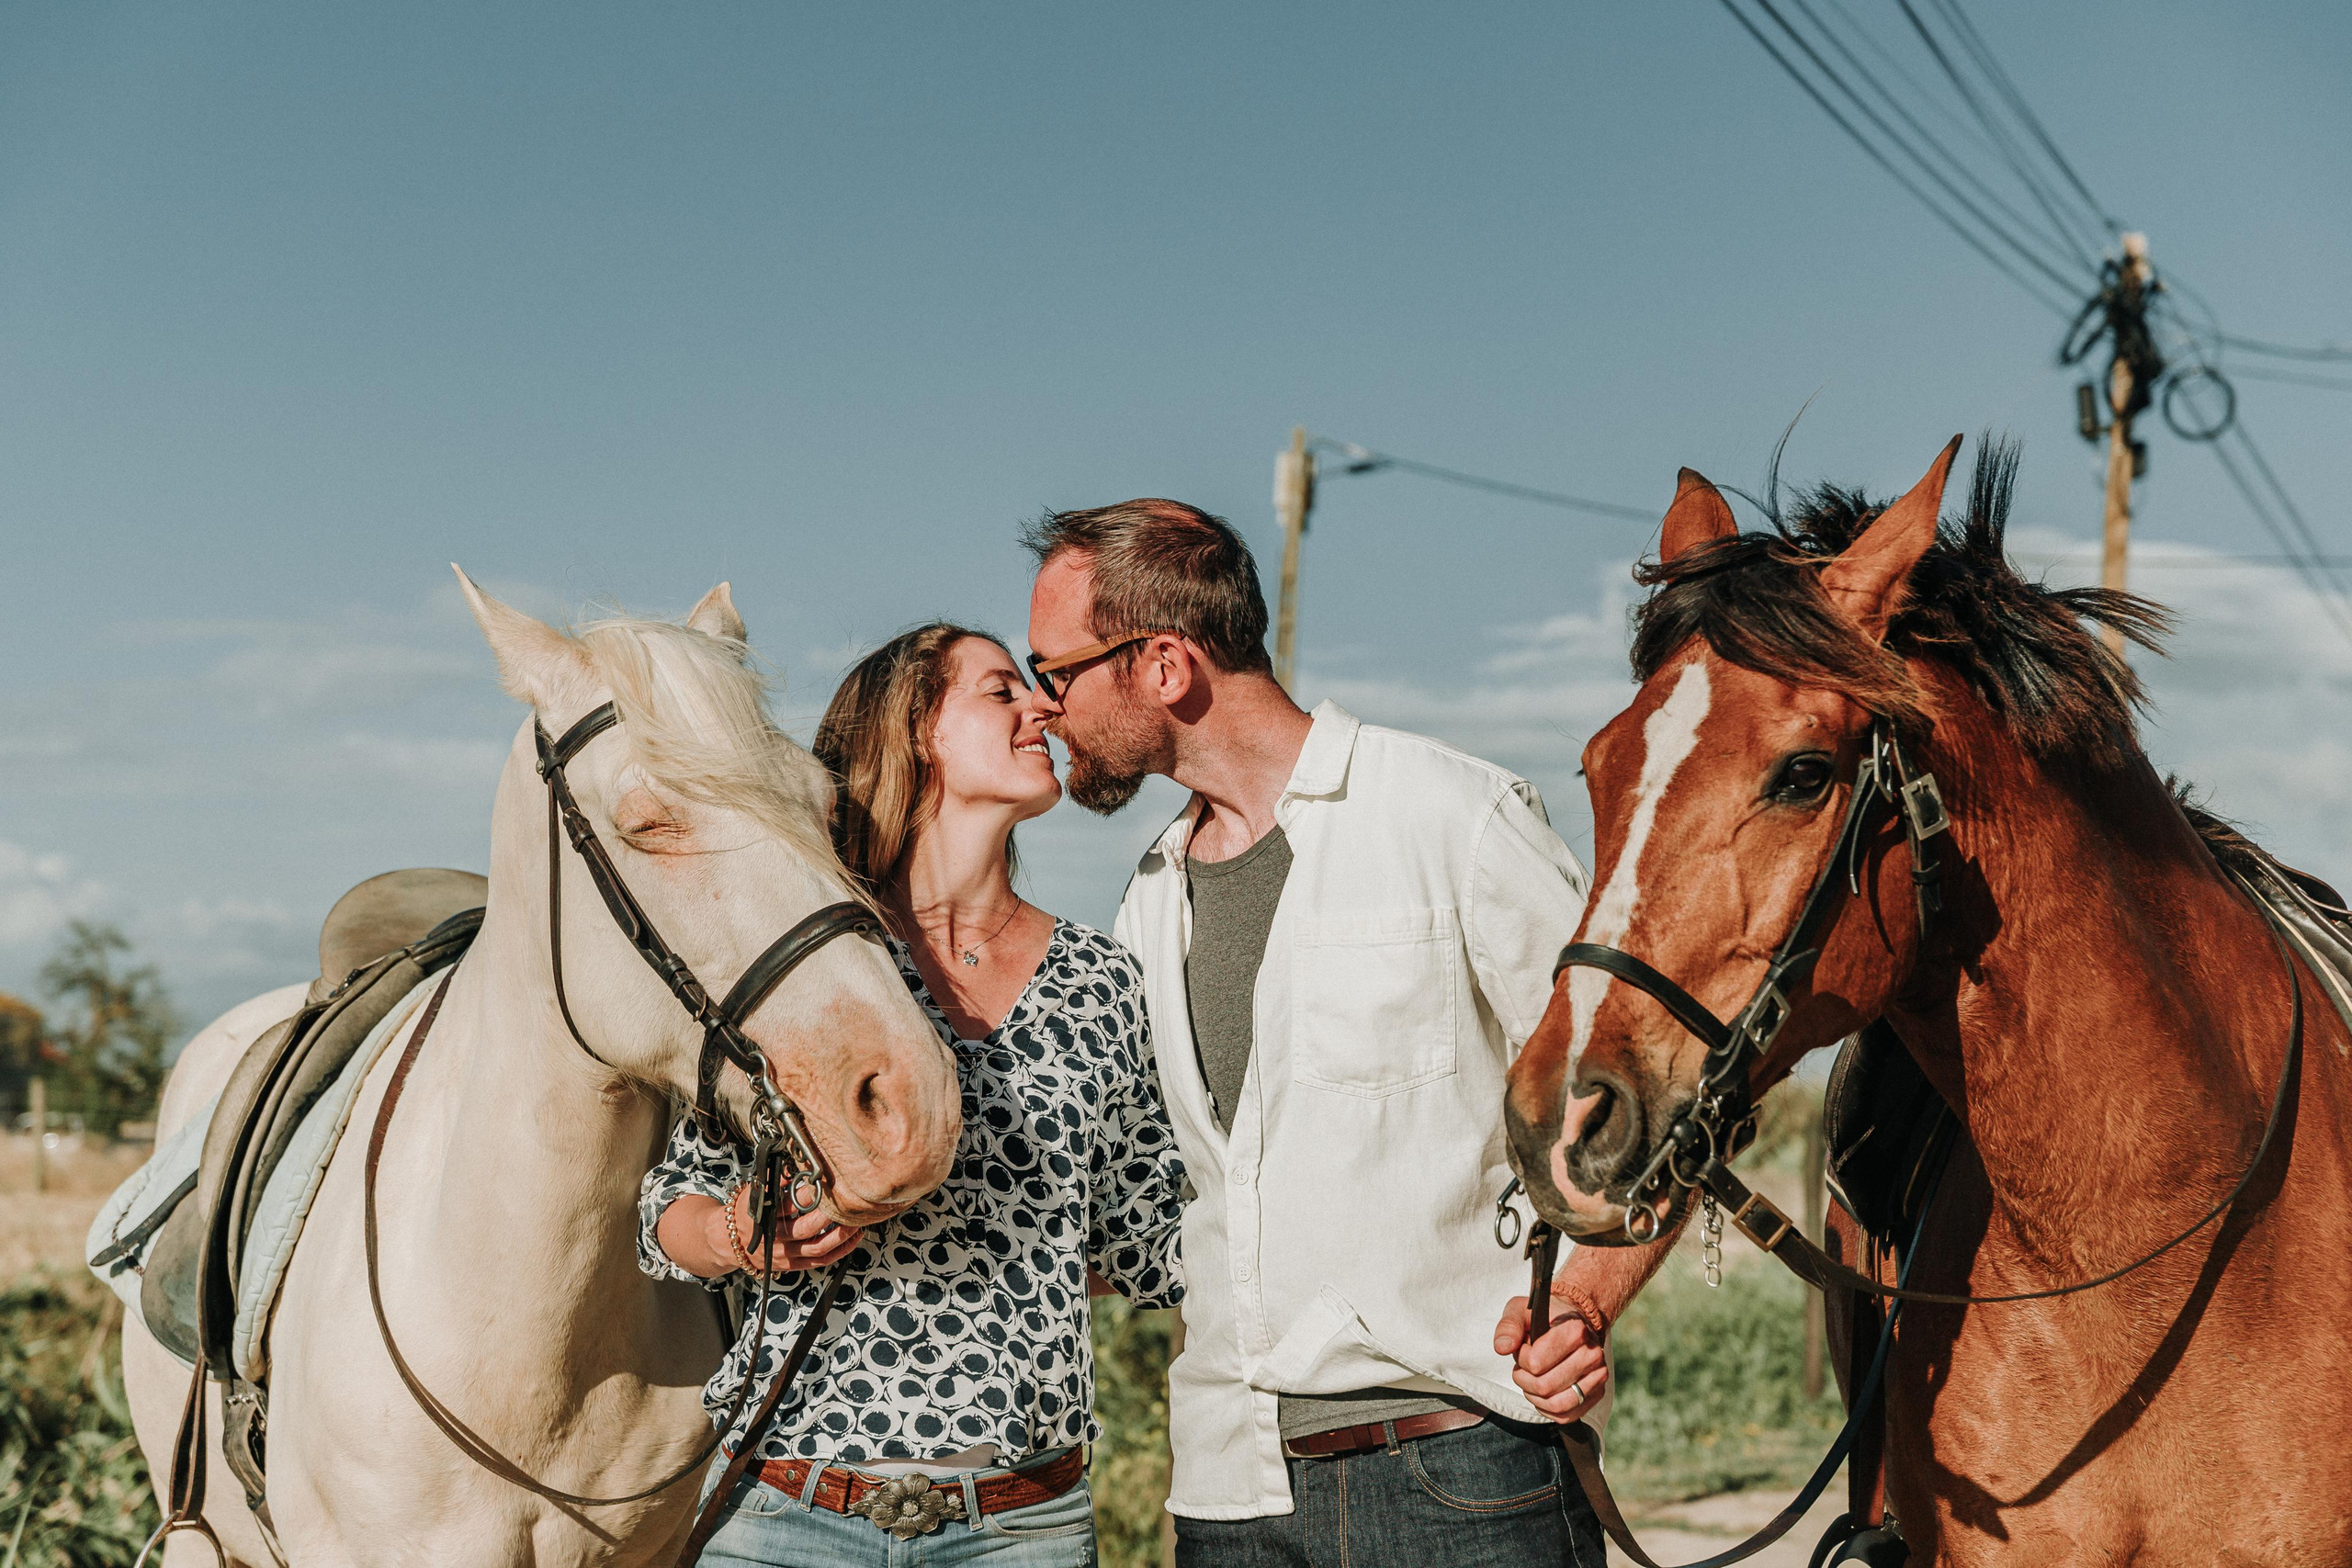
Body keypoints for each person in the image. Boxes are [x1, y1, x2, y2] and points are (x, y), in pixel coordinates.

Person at [1023, 501, 1671, 1567]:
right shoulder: (1148, 896)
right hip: (1229, 1494)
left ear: (1165, 666)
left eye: (1057, 672)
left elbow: (1646, 1096)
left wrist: (1588, 1302)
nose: (1046, 707)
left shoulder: (1450, 820)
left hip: (1462, 1470)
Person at [638, 622, 1184, 1567]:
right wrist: (741, 1233)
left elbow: (1150, 1245)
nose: (1043, 706)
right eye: (1000, 690)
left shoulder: (1104, 978)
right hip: (787, 1513)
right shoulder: (811, 967)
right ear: (916, 733)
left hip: (1023, 1529)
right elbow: (663, 1217)